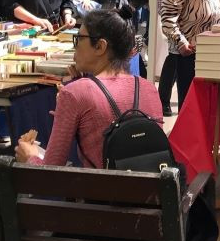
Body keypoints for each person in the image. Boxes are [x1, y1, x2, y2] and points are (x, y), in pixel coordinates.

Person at [15, 9, 162, 167]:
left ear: (100, 46)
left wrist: (30, 157)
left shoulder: (75, 93)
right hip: (148, 190)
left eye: (78, 39)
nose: (75, 47)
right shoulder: (148, 88)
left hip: (99, 190)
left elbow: (51, 171)